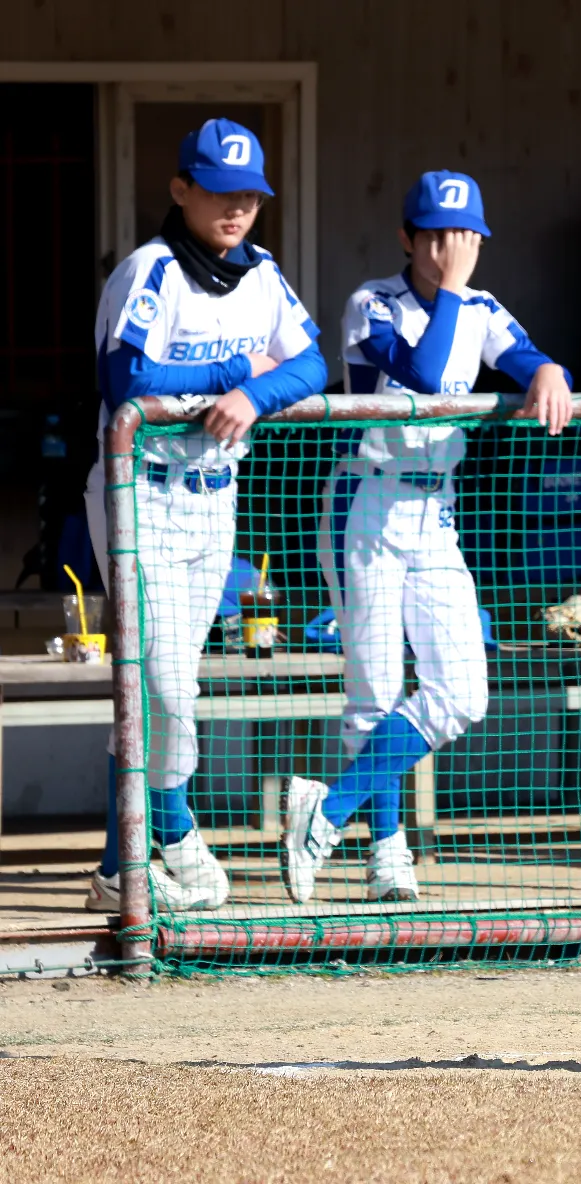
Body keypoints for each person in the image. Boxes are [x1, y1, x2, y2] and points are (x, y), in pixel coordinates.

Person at [282, 170, 574, 904]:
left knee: (463, 690)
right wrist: (452, 291)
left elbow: (525, 358)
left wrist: (547, 368)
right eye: (437, 236)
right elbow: (425, 372)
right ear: (408, 238)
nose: (450, 249)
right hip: (367, 500)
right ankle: (386, 853)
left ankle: (327, 811)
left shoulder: (480, 306)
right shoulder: (373, 301)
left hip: (435, 511)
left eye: (464, 236)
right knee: (374, 692)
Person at [83, 118, 328, 911]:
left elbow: (314, 364)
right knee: (161, 687)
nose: (236, 209)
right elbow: (124, 378)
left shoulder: (262, 273)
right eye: (220, 193)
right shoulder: (150, 270)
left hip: (214, 500)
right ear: (181, 190)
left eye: (249, 196)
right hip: (141, 496)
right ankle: (179, 835)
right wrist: (232, 370)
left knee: (165, 688)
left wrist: (254, 393)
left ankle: (118, 866)